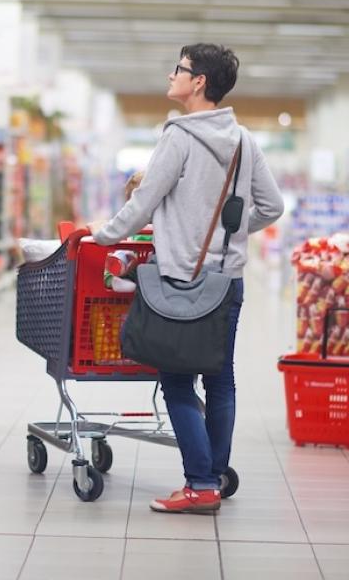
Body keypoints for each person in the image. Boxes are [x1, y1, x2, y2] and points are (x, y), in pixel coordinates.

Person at [88, 43, 284, 515]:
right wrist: (228, 233)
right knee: (220, 380)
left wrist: (103, 235)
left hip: (181, 278)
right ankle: (213, 475)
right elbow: (272, 206)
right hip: (227, 280)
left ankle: (199, 485)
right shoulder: (243, 140)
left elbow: (145, 202)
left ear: (198, 82)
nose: (171, 74)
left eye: (179, 69)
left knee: (177, 383)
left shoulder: (178, 136)